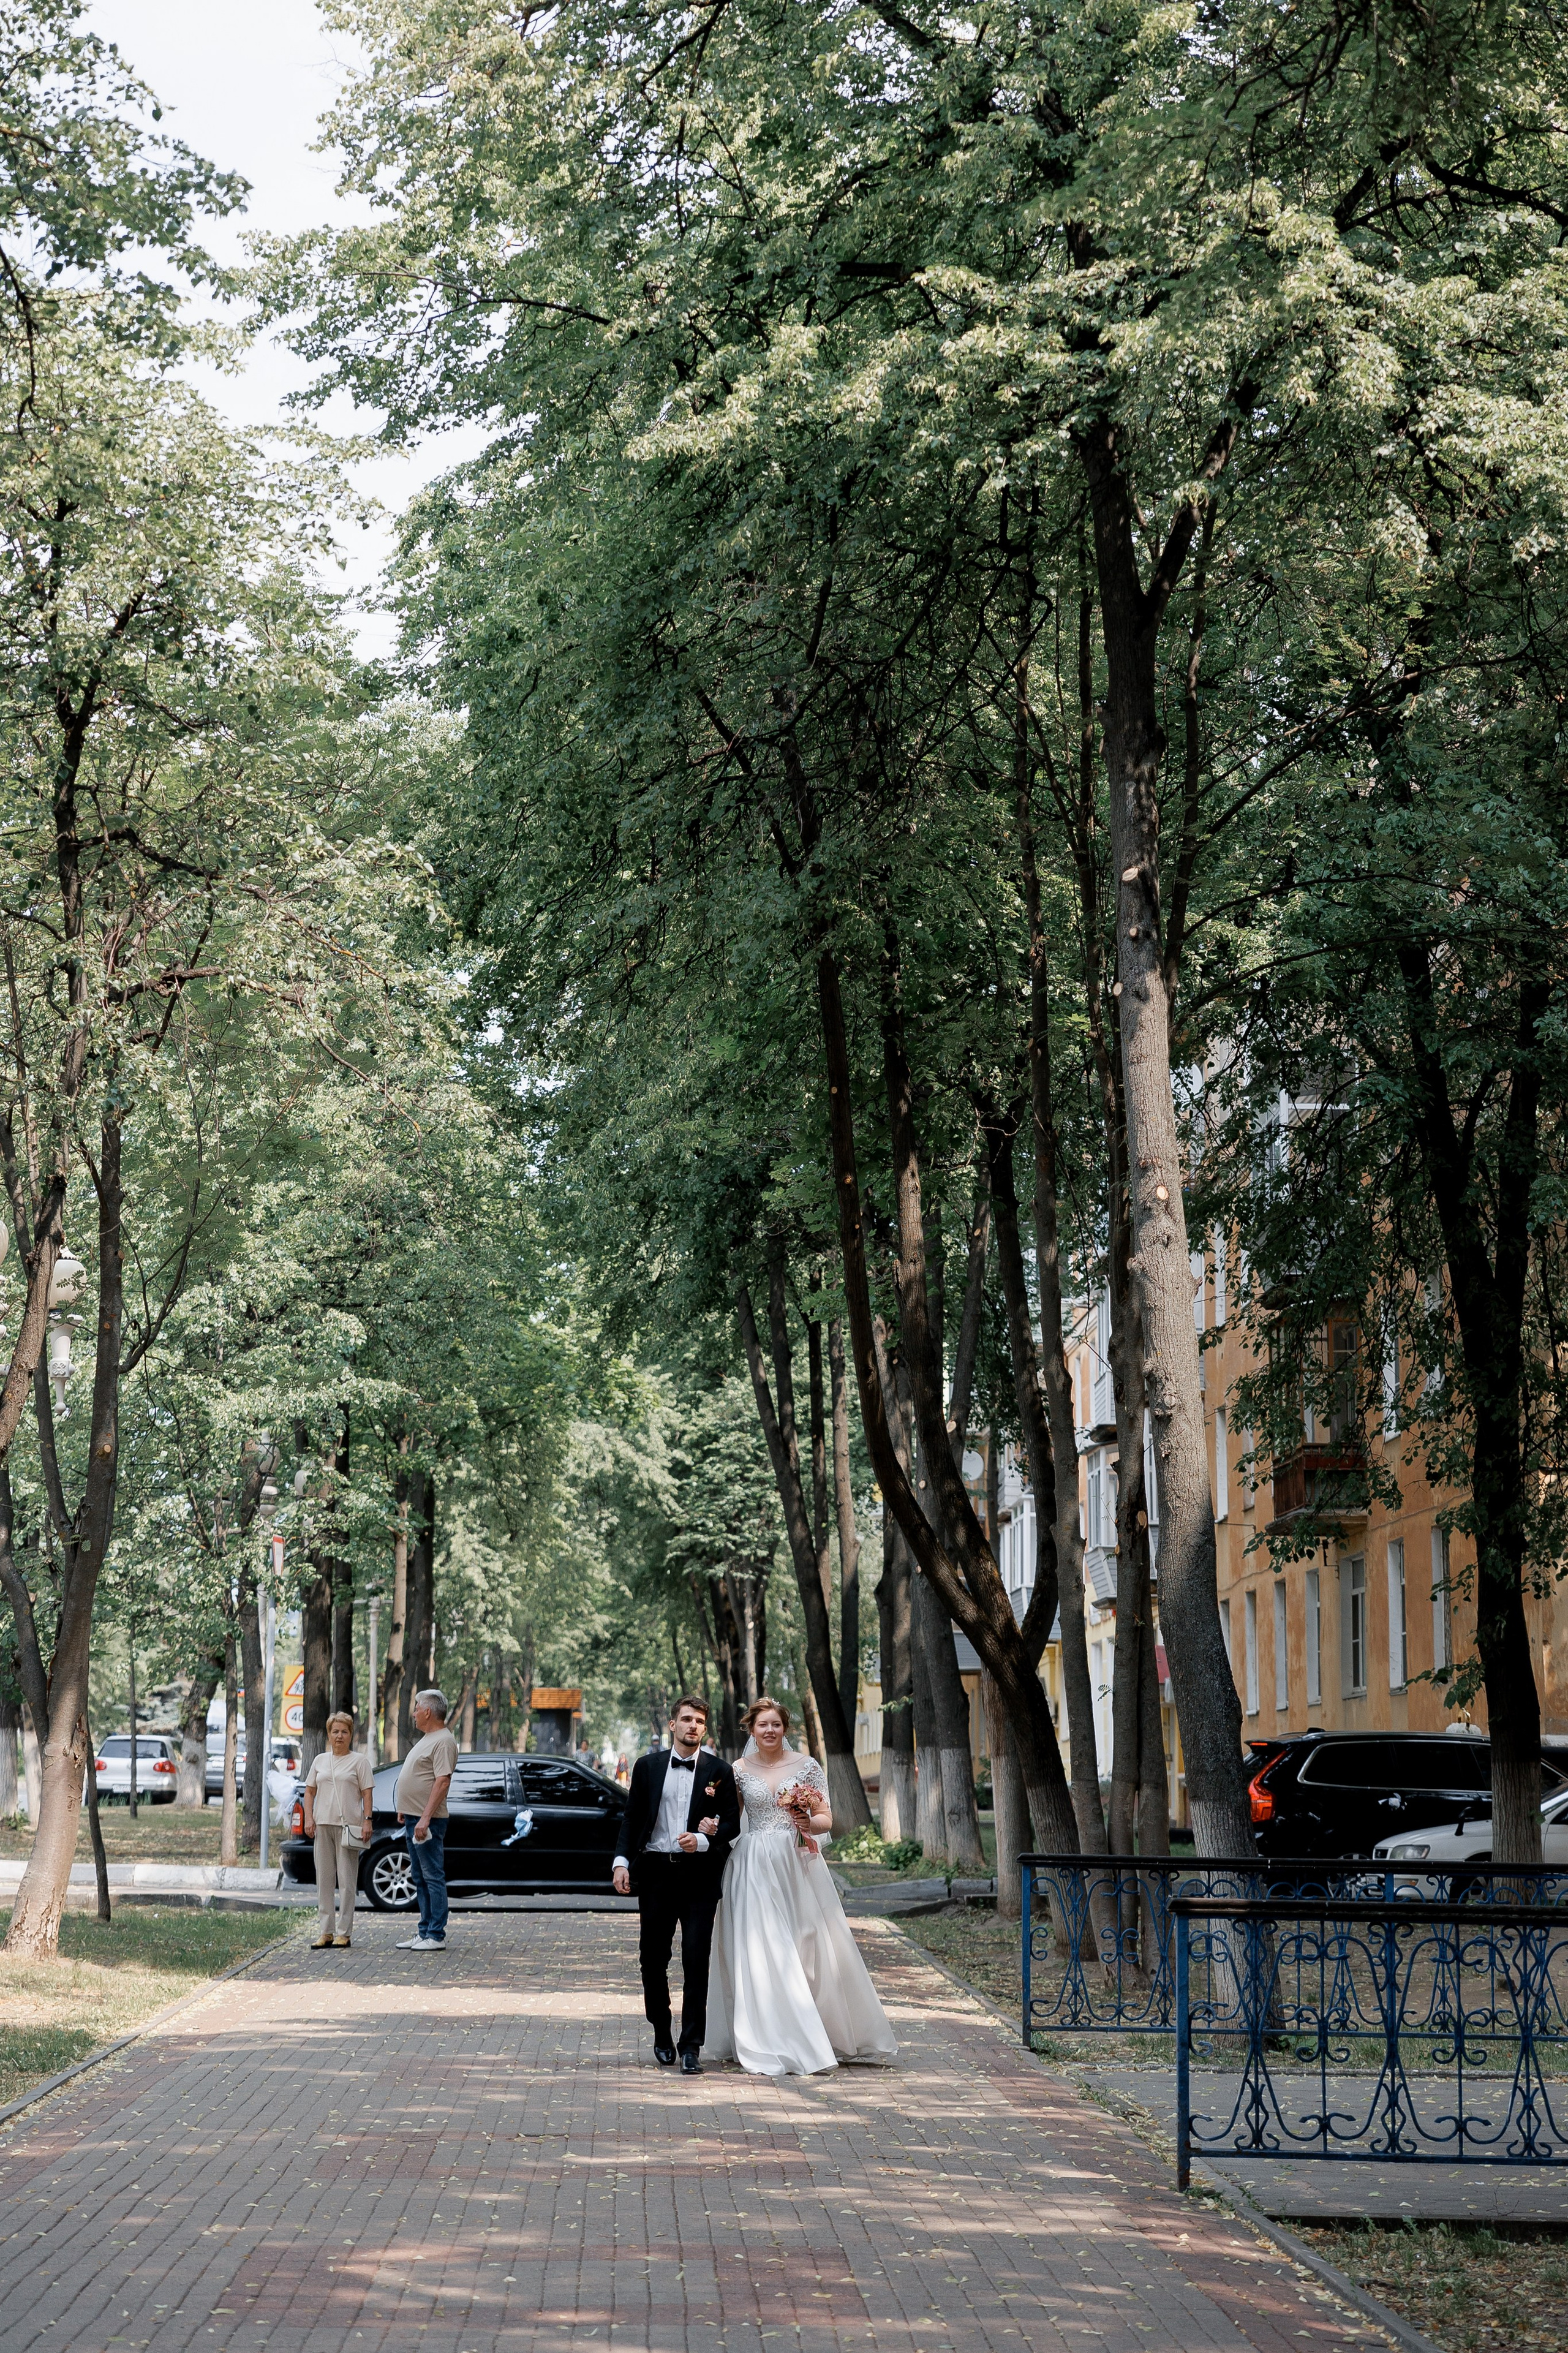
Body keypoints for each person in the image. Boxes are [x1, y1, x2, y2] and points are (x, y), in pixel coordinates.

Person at [710, 1695, 897, 2077]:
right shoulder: (739, 1770)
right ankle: (772, 2036)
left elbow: (827, 1817)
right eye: (762, 1725)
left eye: (776, 1724)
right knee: (765, 1948)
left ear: (785, 1728)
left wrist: (807, 1822)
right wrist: (711, 1828)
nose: (770, 1731)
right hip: (754, 1864)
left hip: (798, 1862)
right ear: (751, 1729)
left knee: (808, 1944)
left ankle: (818, 2027)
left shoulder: (807, 1766)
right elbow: (733, 1818)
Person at [613, 1696, 741, 2073]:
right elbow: (632, 1818)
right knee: (653, 1959)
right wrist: (622, 1862)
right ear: (672, 1725)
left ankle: (691, 2046)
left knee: (696, 1958)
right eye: (686, 1719)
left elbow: (732, 1823)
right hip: (655, 1873)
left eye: (699, 1721)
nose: (693, 1726)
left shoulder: (720, 1771)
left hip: (699, 1877)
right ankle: (661, 2032)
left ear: (705, 1728)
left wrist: (703, 1841)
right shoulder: (647, 1766)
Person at [301, 1711, 374, 1949]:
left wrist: (367, 1820)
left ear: (351, 1735)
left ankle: (344, 1932)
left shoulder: (359, 1761)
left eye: (344, 1732)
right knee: (323, 1880)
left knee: (346, 1881)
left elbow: (367, 1793)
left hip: (347, 1829)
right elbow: (309, 1792)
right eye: (335, 1732)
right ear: (329, 1735)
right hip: (322, 1826)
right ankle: (326, 1932)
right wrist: (309, 1819)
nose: (339, 1736)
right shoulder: (320, 1761)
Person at [394, 1688, 457, 1952]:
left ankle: (436, 1934)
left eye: (417, 1707)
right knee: (419, 1876)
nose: (414, 1713)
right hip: (414, 1817)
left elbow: (442, 1781)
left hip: (426, 1822)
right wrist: (405, 1807)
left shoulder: (443, 1740)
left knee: (432, 1876)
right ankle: (424, 1930)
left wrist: (424, 1818)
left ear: (428, 1711)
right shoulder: (429, 1738)